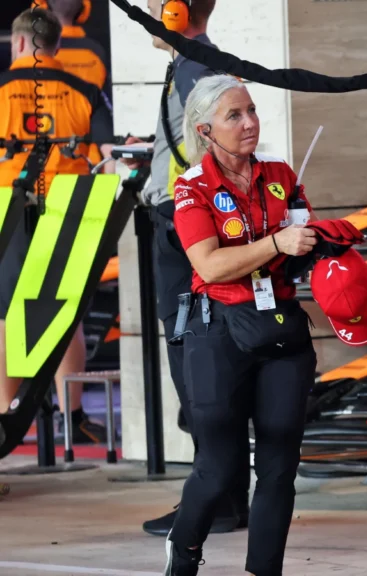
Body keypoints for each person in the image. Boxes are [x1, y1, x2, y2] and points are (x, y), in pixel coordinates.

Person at [165, 73, 364, 576]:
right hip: (217, 331)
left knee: (279, 467)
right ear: (205, 129)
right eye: (235, 115)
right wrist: (277, 244)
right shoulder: (190, 186)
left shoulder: (280, 174)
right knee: (218, 469)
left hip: (279, 327)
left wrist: (323, 244)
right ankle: (184, 549)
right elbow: (209, 265)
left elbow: (298, 253)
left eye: (251, 110)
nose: (250, 122)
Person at [116, 0, 245, 539]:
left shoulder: (196, 68)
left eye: (154, 5)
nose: (146, 12)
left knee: (195, 363)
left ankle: (215, 499)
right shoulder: (192, 64)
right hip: (180, 218)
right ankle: (220, 496)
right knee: (197, 361)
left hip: (181, 225)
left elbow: (207, 157)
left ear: (175, 11)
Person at [0, 7, 112, 444]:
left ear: (22, 43)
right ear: (58, 45)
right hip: (71, 207)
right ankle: (74, 417)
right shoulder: (85, 90)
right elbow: (109, 156)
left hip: (10, 206)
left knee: (8, 318)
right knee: (66, 317)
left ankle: (4, 421)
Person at [41, 0, 112, 100]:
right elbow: (105, 101)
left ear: (43, 8)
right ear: (83, 11)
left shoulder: (34, 50)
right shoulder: (96, 51)